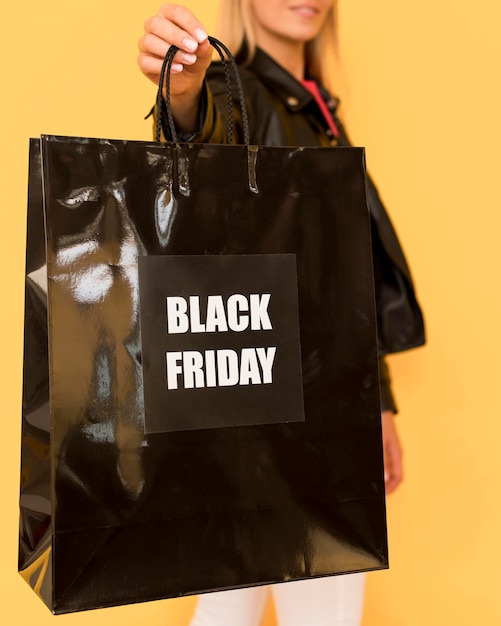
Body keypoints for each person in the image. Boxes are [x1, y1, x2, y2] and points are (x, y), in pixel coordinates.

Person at [137, 2, 425, 625]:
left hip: (306, 404)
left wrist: (379, 401)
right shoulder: (236, 87)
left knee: (230, 607)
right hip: (281, 411)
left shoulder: (315, 107)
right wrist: (184, 94)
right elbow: (203, 132)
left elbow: (345, 274)